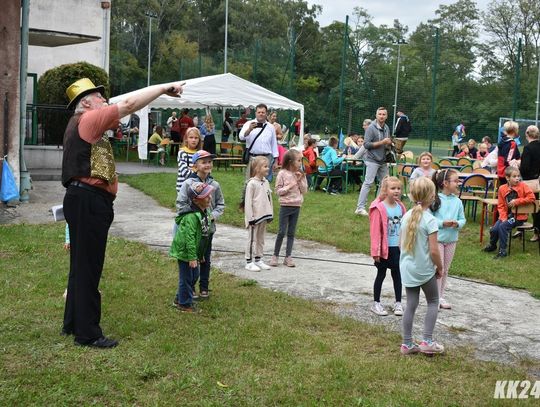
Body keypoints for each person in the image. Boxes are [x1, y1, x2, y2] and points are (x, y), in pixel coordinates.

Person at [61, 77, 183, 348]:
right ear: (86, 102)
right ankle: (88, 334)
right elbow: (128, 105)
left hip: (83, 199)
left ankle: (73, 323)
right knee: (89, 267)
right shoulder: (90, 119)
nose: (105, 101)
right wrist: (164, 88)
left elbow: (122, 111)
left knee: (80, 266)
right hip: (89, 201)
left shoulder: (79, 123)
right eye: (100, 97)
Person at [399, 177, 445, 355]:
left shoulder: (406, 216)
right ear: (432, 197)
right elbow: (434, 251)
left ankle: (407, 344)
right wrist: (440, 268)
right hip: (425, 270)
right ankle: (427, 341)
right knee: (433, 301)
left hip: (407, 269)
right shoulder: (430, 220)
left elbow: (400, 245)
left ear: (411, 195)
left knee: (411, 304)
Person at [176, 151, 225, 299]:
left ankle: (204, 287)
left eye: (210, 161)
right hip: (193, 230)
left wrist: (211, 216)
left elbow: (220, 205)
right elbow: (180, 204)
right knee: (192, 260)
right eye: (204, 162)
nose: (208, 164)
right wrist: (196, 215)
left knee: (205, 259)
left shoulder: (215, 185)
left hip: (208, 230)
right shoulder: (188, 184)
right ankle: (188, 289)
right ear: (195, 166)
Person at [170, 182, 214, 313]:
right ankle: (185, 304)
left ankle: (179, 298)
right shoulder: (190, 217)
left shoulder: (204, 212)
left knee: (194, 275)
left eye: (209, 194)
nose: (210, 198)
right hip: (185, 252)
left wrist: (199, 256)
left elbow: (202, 237)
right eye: (206, 196)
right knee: (187, 278)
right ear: (196, 200)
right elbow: (189, 239)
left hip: (193, 253)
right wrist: (192, 257)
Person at [369, 176, 406, 317]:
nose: (396, 191)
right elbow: (375, 232)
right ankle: (376, 303)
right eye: (393, 188)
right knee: (381, 274)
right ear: (385, 190)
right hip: (384, 249)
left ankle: (398, 302)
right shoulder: (379, 208)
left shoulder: (401, 207)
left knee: (397, 275)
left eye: (398, 188)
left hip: (398, 248)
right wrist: (376, 251)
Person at [430, 169, 466, 310]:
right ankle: (435, 297)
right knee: (438, 268)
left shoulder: (458, 201)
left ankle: (440, 296)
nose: (459, 183)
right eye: (456, 181)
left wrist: (458, 224)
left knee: (445, 270)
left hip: (452, 240)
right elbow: (429, 218)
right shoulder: (434, 199)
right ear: (445, 183)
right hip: (437, 240)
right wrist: (442, 223)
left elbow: (462, 219)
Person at [483, 166, 535, 259]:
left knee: (503, 226)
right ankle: (492, 245)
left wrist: (517, 201)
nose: (517, 178)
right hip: (506, 216)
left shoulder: (523, 186)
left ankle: (502, 251)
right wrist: (503, 217)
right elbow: (501, 206)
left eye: (518, 176)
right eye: (514, 176)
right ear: (507, 178)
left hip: (518, 217)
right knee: (494, 229)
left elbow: (532, 198)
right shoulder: (502, 188)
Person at [270, 150, 308, 268]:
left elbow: (304, 191)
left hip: (296, 206)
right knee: (281, 232)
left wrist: (301, 179)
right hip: (285, 206)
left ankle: (288, 257)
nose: (300, 162)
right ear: (291, 162)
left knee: (291, 232)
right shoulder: (282, 173)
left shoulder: (300, 174)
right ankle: (275, 255)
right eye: (298, 160)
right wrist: (291, 185)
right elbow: (278, 191)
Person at [355, 107, 392, 216]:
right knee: (368, 183)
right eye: (379, 114)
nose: (381, 116)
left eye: (384, 114)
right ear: (376, 115)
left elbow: (385, 142)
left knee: (385, 183)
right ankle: (360, 208)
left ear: (386, 116)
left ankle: (378, 205)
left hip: (383, 160)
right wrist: (382, 142)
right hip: (372, 159)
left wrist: (389, 143)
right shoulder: (371, 128)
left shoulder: (387, 128)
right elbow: (366, 145)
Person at [244, 156, 274, 272]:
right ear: (257, 169)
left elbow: (269, 198)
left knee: (261, 239)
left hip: (264, 215)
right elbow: (248, 202)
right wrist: (250, 217)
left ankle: (258, 259)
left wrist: (270, 213)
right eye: (265, 166)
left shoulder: (266, 182)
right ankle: (249, 261)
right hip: (254, 217)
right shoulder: (251, 184)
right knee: (252, 239)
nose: (268, 168)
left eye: (268, 166)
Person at [239, 103, 279, 182]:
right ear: (256, 113)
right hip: (253, 158)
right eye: (259, 112)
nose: (261, 114)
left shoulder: (270, 127)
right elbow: (241, 137)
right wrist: (249, 129)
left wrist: (276, 160)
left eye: (263, 112)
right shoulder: (248, 124)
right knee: (250, 182)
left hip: (266, 158)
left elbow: (274, 144)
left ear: (266, 114)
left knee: (265, 182)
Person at [520, 125, 540, 242]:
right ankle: (536, 231)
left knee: (526, 206)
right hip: (538, 180)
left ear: (527, 134)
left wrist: (518, 165)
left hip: (529, 181)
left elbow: (525, 168)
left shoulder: (528, 148)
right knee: (536, 206)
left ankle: (522, 229)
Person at [176, 127, 202, 192]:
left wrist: (192, 169)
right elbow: (185, 173)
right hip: (183, 189)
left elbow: (206, 172)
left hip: (198, 189)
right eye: (191, 137)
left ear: (199, 140)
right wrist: (198, 171)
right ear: (186, 139)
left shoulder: (200, 154)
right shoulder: (182, 153)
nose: (194, 140)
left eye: (196, 138)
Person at [497, 121, 521, 185]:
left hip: (500, 169)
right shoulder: (512, 143)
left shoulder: (502, 140)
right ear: (515, 131)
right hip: (507, 172)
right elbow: (508, 159)